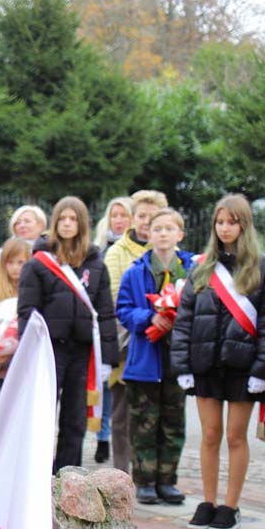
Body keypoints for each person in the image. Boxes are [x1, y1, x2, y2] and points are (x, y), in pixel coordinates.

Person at [172, 194, 265, 529]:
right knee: (209, 435)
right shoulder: (202, 267)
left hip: (242, 366)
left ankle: (230, 507)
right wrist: (182, 365)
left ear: (244, 225)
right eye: (220, 222)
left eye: (232, 222)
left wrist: (263, 370)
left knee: (235, 436)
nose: (225, 228)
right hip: (206, 363)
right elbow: (184, 319)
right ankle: (207, 502)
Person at [18, 196, 117, 472]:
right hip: (49, 349)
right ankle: (37, 473)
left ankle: (68, 474)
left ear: (82, 223)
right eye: (62, 218)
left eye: (73, 219)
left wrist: (108, 358)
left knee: (75, 418)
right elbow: (27, 312)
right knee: (43, 414)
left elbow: (105, 312)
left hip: (82, 351)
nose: (67, 224)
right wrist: (28, 351)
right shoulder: (39, 263)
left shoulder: (96, 264)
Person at [116, 209, 197, 506]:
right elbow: (123, 310)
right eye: (157, 229)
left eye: (169, 228)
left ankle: (167, 480)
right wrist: (151, 317)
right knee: (144, 422)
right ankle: (145, 481)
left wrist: (178, 318)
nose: (163, 234)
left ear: (180, 234)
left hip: (177, 357)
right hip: (145, 359)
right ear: (148, 234)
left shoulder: (192, 269)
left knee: (173, 422)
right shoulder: (135, 272)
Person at [102, 190, 166, 471]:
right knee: (122, 414)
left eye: (153, 217)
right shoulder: (117, 252)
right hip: (128, 341)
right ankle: (121, 474)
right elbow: (115, 297)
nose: (146, 222)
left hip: (162, 343)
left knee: (158, 415)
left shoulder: (169, 252)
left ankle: (152, 475)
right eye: (141, 216)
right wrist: (150, 317)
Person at [93, 193, 135, 463]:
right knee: (103, 386)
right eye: (114, 215)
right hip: (104, 322)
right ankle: (101, 435)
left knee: (117, 390)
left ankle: (109, 438)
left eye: (124, 215)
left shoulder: (136, 249)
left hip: (126, 325)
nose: (118, 220)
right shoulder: (99, 248)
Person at [0, 237, 30, 311]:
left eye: (20, 262)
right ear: (3, 264)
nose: (15, 267)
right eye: (10, 262)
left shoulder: (34, 289)